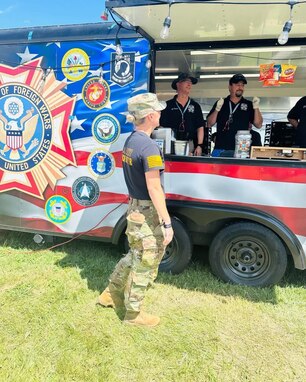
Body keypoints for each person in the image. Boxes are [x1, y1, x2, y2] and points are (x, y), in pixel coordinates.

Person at [97, 92, 174, 328]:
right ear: (150, 116)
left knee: (135, 254)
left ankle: (111, 293)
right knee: (146, 260)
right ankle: (133, 314)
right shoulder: (149, 147)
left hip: (134, 209)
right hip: (147, 211)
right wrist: (167, 222)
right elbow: (154, 188)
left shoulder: (131, 141)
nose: (161, 113)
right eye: (158, 111)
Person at [207, 73, 263, 157]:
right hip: (221, 148)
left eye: (242, 85)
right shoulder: (221, 103)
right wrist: (217, 109)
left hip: (241, 150)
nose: (240, 87)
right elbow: (209, 123)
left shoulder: (249, 104)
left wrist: (256, 108)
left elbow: (258, 125)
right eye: (237, 85)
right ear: (230, 87)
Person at [160, 72, 204, 156]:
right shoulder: (168, 105)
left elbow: (200, 127)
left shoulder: (195, 106)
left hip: (189, 143)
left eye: (190, 82)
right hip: (171, 143)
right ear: (178, 84)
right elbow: (161, 127)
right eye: (186, 81)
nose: (189, 84)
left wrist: (199, 145)